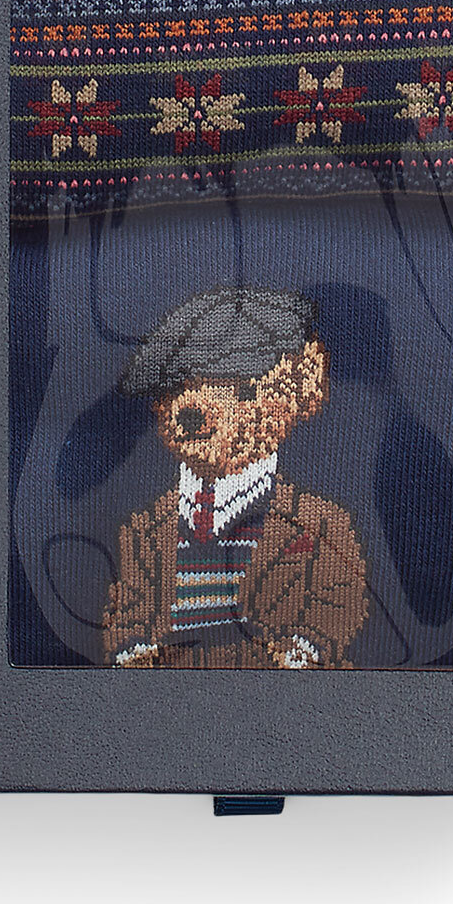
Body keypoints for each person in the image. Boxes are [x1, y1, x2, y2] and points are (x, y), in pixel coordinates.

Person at [102, 286, 369, 669]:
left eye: (241, 390)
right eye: (178, 391)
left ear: (301, 388)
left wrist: (305, 650)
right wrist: (132, 653)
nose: (195, 412)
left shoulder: (321, 524)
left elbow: (337, 605)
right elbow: (126, 621)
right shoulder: (143, 531)